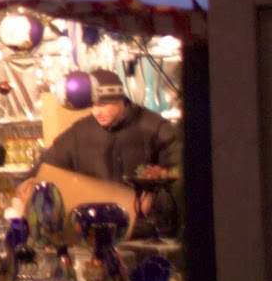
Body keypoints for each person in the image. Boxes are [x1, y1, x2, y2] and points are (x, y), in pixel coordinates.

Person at [17, 67, 180, 198]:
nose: (96, 112)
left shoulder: (155, 127)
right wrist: (30, 180)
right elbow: (49, 162)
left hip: (151, 228)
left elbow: (179, 176)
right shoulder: (79, 132)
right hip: (98, 227)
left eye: (102, 105)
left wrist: (153, 197)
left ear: (120, 100)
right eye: (92, 106)